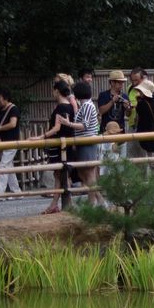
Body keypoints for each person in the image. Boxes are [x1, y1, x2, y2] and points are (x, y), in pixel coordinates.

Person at [41, 78, 75, 214]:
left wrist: (41, 136)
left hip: (61, 145)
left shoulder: (62, 107)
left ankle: (59, 204)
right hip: (66, 144)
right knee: (60, 174)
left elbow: (56, 128)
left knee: (61, 174)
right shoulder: (70, 106)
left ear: (57, 91)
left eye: (53, 91)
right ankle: (58, 204)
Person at [70, 79, 102, 205]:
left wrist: (69, 123)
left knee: (89, 172)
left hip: (88, 142)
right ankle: (99, 200)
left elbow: (85, 125)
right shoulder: (83, 105)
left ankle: (92, 201)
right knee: (83, 172)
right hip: (82, 142)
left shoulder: (87, 105)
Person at [0, 89, 22, 196]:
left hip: (11, 142)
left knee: (3, 166)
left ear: (6, 98)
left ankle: (1, 193)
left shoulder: (14, 109)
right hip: (1, 142)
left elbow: (13, 124)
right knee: (9, 167)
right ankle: (17, 192)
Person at [97, 71, 130, 159]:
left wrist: (127, 108)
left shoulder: (124, 96)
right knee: (106, 160)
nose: (121, 84)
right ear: (112, 82)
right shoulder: (103, 95)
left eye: (122, 82)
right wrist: (112, 101)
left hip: (120, 132)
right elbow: (101, 111)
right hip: (106, 132)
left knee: (121, 161)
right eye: (119, 82)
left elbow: (128, 114)